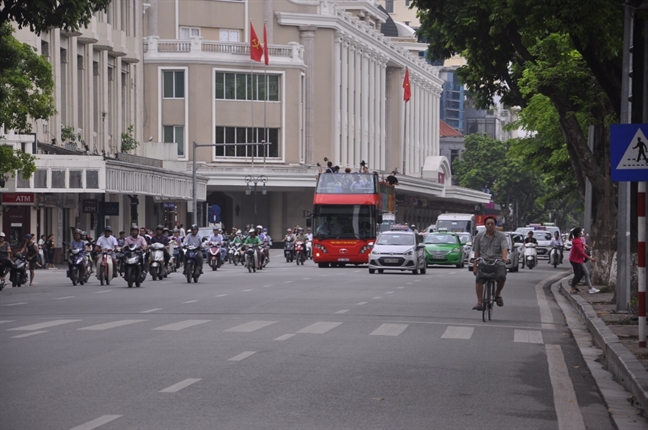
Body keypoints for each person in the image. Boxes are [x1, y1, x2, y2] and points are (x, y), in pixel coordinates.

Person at [471, 216, 509, 311]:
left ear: (495, 225)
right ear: (485, 225)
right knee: (479, 278)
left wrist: (504, 258)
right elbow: (476, 252)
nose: (490, 225)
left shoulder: (501, 236)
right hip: (484, 261)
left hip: (498, 262)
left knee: (501, 276)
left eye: (492, 224)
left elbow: (504, 248)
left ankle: (497, 294)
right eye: (488, 224)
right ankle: (479, 302)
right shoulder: (479, 236)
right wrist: (475, 266)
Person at [569, 227, 599, 294]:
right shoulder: (576, 241)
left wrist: (583, 244)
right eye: (581, 232)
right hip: (575, 260)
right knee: (578, 274)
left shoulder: (578, 240)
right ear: (578, 233)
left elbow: (579, 244)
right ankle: (572, 289)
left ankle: (576, 285)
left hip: (578, 260)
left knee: (583, 273)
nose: (582, 233)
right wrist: (590, 258)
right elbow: (581, 252)